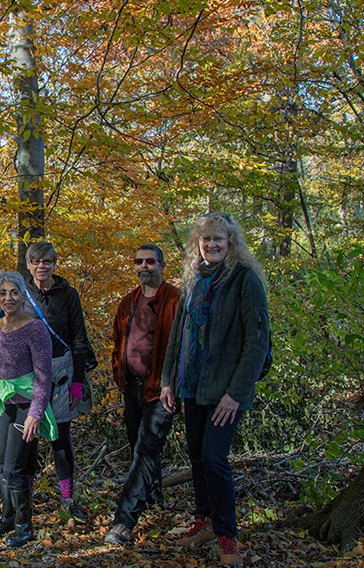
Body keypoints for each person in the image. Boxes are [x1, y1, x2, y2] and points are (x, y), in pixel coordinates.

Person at [160, 214, 270, 568]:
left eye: (218, 239)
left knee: (213, 459)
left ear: (231, 242)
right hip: (192, 386)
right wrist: (168, 380)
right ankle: (203, 521)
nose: (212, 245)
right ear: (197, 244)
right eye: (205, 240)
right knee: (196, 458)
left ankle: (227, 537)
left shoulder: (244, 280)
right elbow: (178, 333)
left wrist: (236, 393)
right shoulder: (193, 279)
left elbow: (257, 342)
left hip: (225, 391)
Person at [104, 244, 180, 545]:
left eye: (150, 261)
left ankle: (124, 521)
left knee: (145, 452)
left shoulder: (174, 300)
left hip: (161, 390)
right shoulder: (129, 302)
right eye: (139, 262)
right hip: (131, 386)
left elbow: (182, 348)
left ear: (161, 264)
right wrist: (118, 374)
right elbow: (117, 340)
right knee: (139, 445)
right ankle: (154, 500)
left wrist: (171, 382)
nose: (144, 266)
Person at [0, 271, 54, 547]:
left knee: (14, 467)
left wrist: (36, 412)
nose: (8, 298)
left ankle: (24, 525)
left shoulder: (35, 329)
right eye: (3, 293)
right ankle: (8, 516)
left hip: (25, 404)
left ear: (23, 295)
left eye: (14, 292)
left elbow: (44, 375)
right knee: (0, 464)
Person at [22, 241, 96, 520]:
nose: (42, 266)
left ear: (55, 264)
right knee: (27, 438)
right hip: (27, 374)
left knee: (60, 438)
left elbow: (79, 338)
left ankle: (67, 498)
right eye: (37, 261)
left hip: (62, 370)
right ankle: (25, 499)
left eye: (48, 261)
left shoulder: (68, 295)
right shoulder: (21, 293)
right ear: (29, 265)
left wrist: (77, 380)